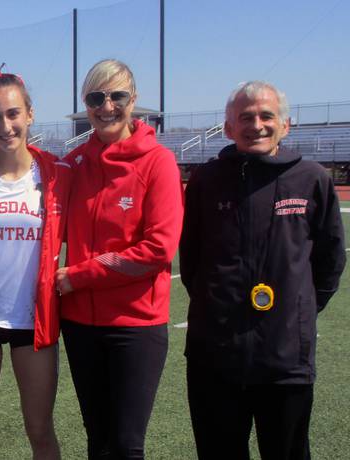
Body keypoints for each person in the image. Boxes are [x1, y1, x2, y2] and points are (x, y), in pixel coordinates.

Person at [180, 81, 346, 460]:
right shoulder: (207, 180)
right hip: (214, 356)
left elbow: (330, 259)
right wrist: (218, 306)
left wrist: (297, 310)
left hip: (286, 359)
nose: (256, 124)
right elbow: (191, 261)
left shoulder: (313, 179)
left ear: (285, 125)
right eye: (245, 117)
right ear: (228, 128)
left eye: (266, 115)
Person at [55, 59, 183, 459]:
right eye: (96, 97)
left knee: (127, 446)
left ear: (134, 100)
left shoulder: (157, 162)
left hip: (135, 327)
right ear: (85, 104)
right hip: (80, 325)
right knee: (98, 440)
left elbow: (158, 249)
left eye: (117, 96)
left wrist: (80, 276)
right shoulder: (74, 164)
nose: (106, 106)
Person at [0, 69, 69, 460]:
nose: (6, 125)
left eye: (13, 114)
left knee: (39, 430)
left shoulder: (57, 173)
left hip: (33, 320)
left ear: (30, 114)